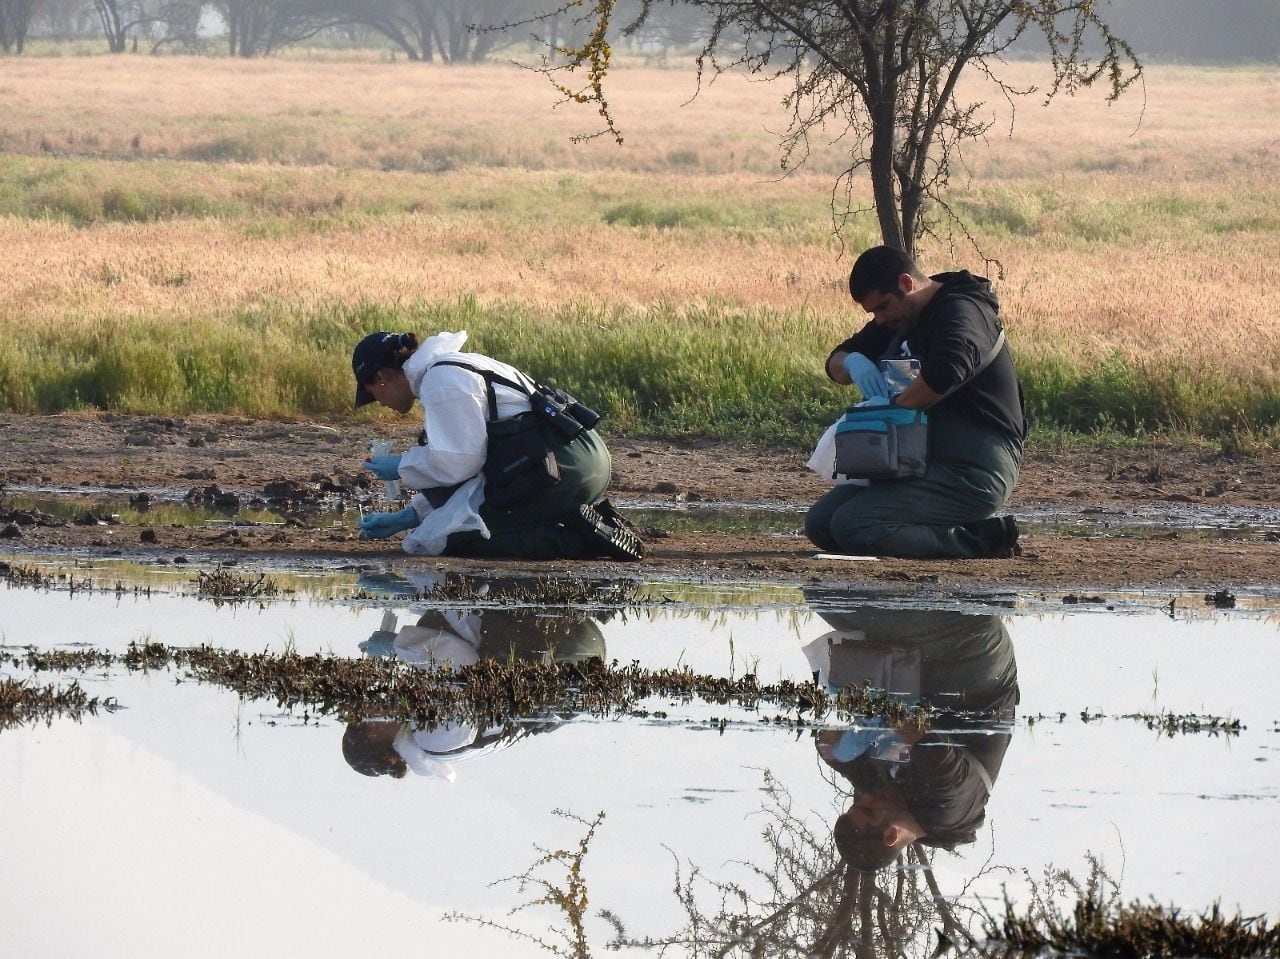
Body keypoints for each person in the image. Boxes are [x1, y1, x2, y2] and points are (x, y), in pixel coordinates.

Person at [806, 246, 1026, 558]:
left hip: (974, 469)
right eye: (873, 314)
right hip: (920, 461)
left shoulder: (963, 311)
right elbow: (836, 364)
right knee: (821, 525)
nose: (879, 320)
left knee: (854, 525)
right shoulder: (899, 318)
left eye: (883, 307)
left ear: (907, 284)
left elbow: (945, 373)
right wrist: (853, 361)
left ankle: (984, 540)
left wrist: (889, 413)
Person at [351, 330, 642, 561]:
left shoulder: (441, 382)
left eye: (373, 395)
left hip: (564, 467)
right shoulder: (452, 367)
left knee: (454, 538)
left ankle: (577, 537)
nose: (381, 403)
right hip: (579, 458)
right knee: (445, 525)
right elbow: (473, 471)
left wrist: (402, 466)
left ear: (380, 377)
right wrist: (408, 516)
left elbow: (461, 462)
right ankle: (585, 519)